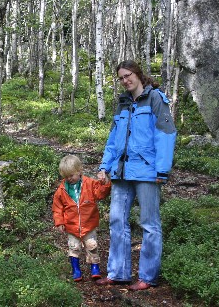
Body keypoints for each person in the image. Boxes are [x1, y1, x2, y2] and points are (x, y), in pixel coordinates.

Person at [95, 60, 177, 291]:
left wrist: (162, 169)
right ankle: (118, 273)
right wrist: (105, 166)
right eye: (121, 78)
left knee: (149, 224)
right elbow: (113, 141)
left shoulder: (156, 99)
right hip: (121, 172)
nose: (125, 80)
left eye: (128, 75)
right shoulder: (122, 104)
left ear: (138, 75)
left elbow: (166, 134)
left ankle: (148, 276)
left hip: (148, 172)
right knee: (117, 221)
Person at [52, 154, 112, 281]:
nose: (69, 179)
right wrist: (60, 222)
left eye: (72, 175)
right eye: (66, 177)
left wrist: (105, 184)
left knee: (92, 245)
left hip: (88, 223)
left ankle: (94, 267)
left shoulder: (89, 184)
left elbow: (100, 193)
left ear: (80, 171)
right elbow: (57, 208)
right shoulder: (62, 190)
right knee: (74, 247)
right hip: (72, 225)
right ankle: (76, 270)